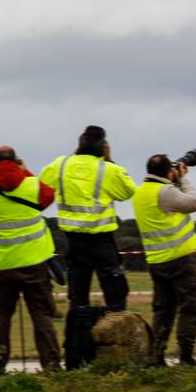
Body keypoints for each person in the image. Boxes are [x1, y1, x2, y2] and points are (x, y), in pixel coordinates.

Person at [0, 146, 62, 371]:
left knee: (0, 316)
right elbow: (48, 198)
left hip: (1, 266)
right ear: (17, 162)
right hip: (34, 263)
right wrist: (26, 172)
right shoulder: (31, 184)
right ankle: (51, 365)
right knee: (41, 314)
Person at [42, 125, 136, 311]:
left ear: (79, 143)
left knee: (78, 295)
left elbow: (42, 184)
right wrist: (109, 160)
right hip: (102, 241)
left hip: (74, 241)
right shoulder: (108, 169)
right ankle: (116, 327)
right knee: (115, 291)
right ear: (103, 146)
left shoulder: (60, 165)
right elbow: (128, 191)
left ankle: (78, 334)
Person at [131, 154, 196, 366]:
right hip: (179, 260)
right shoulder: (166, 191)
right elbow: (193, 203)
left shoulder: (140, 193)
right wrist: (183, 180)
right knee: (190, 308)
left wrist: (174, 178)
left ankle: (157, 356)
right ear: (168, 172)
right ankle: (186, 356)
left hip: (156, 261)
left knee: (163, 311)